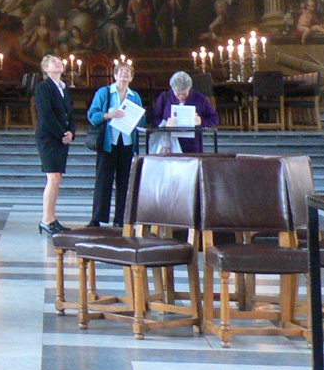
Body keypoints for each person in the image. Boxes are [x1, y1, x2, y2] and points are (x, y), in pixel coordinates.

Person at [86, 61, 142, 227]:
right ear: (115, 75)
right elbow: (92, 115)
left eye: (128, 72)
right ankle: (97, 218)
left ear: (131, 77)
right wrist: (108, 115)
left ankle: (120, 219)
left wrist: (137, 119)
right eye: (121, 71)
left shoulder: (135, 96)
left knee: (125, 182)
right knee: (103, 181)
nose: (124, 74)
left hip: (127, 143)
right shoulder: (104, 92)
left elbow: (141, 118)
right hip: (108, 143)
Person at [33, 53, 74, 234]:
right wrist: (61, 134)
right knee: (53, 178)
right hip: (49, 137)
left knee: (57, 178)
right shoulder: (43, 87)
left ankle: (52, 218)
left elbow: (70, 113)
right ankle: (46, 220)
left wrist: (72, 132)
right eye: (53, 62)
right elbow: (46, 114)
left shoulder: (63, 88)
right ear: (46, 69)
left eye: (59, 61)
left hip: (62, 137)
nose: (58, 63)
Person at [149, 70, 218, 153]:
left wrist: (201, 121)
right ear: (172, 89)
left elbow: (214, 117)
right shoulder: (165, 97)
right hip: (170, 144)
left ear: (189, 88)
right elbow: (154, 117)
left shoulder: (199, 98)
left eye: (184, 93)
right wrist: (165, 124)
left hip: (192, 145)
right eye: (178, 93)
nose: (181, 96)